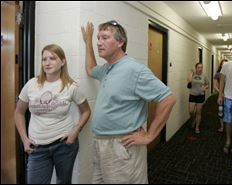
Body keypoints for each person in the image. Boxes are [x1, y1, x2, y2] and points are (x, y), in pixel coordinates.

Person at [81, 21, 176, 184]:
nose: (99, 42)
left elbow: (168, 99)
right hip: (101, 144)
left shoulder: (134, 69)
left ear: (120, 42)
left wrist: (150, 135)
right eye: (98, 38)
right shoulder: (107, 69)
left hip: (121, 146)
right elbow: (90, 69)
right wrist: (88, 41)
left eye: (105, 37)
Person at [14, 44, 91, 184]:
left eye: (52, 58)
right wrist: (24, 139)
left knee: (63, 181)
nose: (47, 63)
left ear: (63, 61)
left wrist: (76, 130)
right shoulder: (31, 84)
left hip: (64, 145)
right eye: (44, 59)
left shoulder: (71, 87)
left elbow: (86, 111)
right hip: (37, 148)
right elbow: (19, 112)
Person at [187, 63, 209, 134]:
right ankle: (193, 119)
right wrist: (191, 72)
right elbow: (189, 81)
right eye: (199, 67)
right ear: (196, 68)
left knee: (198, 112)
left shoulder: (204, 75)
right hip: (192, 95)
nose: (200, 69)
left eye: (201, 67)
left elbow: (207, 84)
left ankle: (197, 127)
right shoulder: (193, 74)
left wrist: (205, 87)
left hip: (200, 95)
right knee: (191, 111)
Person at [213, 59, 228, 133]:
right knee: (221, 111)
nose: (224, 65)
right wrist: (221, 93)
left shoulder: (230, 74)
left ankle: (228, 126)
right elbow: (214, 86)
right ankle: (222, 126)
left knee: (228, 111)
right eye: (223, 64)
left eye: (226, 64)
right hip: (221, 96)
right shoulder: (217, 74)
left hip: (229, 96)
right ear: (221, 65)